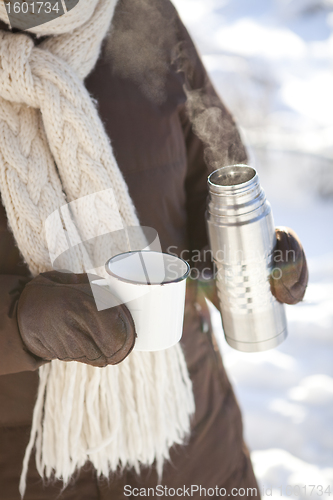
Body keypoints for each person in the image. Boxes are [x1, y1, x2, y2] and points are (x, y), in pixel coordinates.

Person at [0, 0, 308, 498]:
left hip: (193, 437)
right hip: (33, 466)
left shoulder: (144, 13)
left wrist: (234, 260)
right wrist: (22, 322)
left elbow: (213, 174)